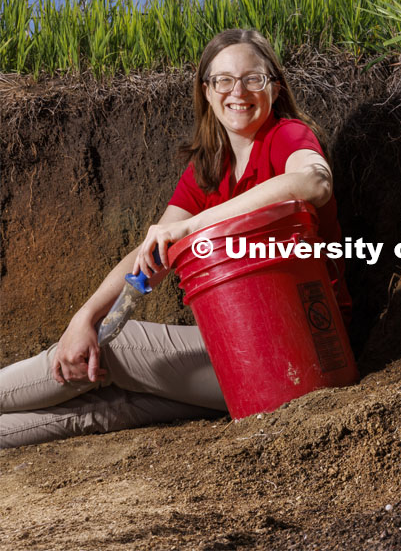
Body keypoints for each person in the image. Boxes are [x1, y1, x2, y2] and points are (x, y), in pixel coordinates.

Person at [0, 29, 349, 449]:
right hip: (250, 369)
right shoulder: (210, 167)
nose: (238, 91)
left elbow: (313, 181)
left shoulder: (285, 136)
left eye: (252, 78)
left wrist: (193, 227)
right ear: (206, 90)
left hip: (304, 352)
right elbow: (151, 252)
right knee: (111, 404)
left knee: (117, 346)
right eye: (223, 80)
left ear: (274, 87)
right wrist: (86, 316)